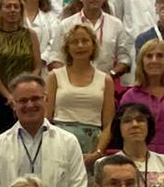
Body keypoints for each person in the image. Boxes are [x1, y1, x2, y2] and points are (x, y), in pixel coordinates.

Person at [47, 24, 116, 172]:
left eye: (85, 41)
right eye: (74, 42)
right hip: (59, 144)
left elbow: (108, 124)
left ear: (93, 45)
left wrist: (97, 152)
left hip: (92, 147)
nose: (80, 46)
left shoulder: (106, 80)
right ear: (67, 47)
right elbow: (46, 118)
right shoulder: (54, 76)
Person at [47, 0, 131, 85]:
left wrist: (111, 75)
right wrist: (68, 77)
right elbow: (54, 58)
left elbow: (125, 59)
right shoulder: (66, 25)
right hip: (71, 85)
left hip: (104, 85)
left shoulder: (116, 25)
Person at [0, 0, 43, 140]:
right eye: (8, 6)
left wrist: (23, 93)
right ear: (0, 11)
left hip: (28, 98)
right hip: (0, 99)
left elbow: (37, 66)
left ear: (21, 11)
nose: (12, 10)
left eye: (16, 7)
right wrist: (10, 96)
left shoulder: (31, 35)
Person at [20, 0, 60, 68]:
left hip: (43, 66)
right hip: (18, 65)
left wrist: (42, 59)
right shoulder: (15, 16)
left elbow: (54, 41)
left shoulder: (51, 18)